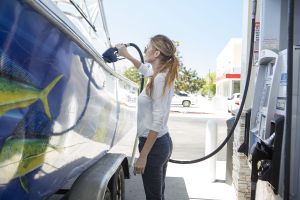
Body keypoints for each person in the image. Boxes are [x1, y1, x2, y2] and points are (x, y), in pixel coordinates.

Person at [116, 34, 179, 200]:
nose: (144, 50)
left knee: (154, 197)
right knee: (158, 195)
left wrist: (143, 156)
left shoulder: (160, 79)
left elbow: (157, 121)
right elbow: (144, 69)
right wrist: (127, 55)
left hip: (154, 146)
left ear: (157, 53)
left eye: (147, 47)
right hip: (161, 142)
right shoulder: (160, 73)